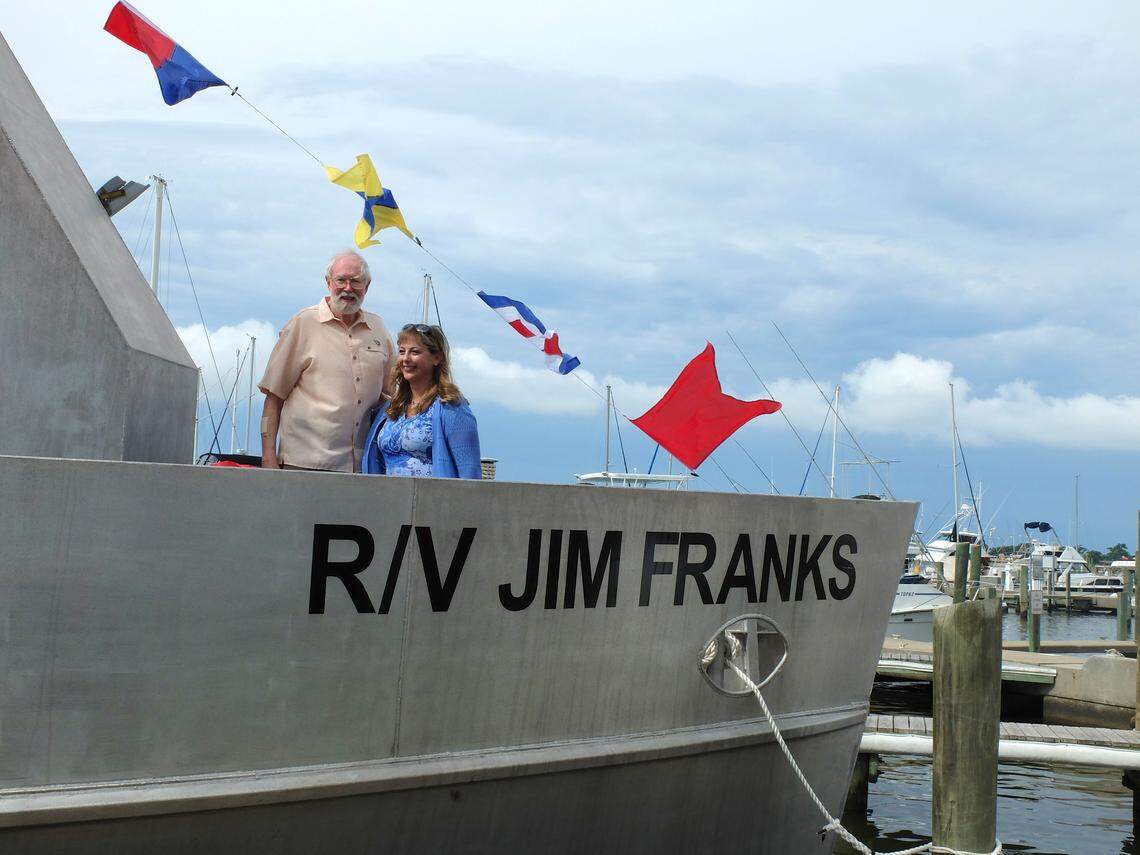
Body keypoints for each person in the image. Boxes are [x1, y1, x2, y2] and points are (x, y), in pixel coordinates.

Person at [258, 251, 394, 472]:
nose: (348, 288)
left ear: (367, 286)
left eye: (356, 281)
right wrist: (268, 458)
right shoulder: (303, 323)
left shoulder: (378, 329)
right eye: (341, 280)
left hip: (362, 467)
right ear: (328, 283)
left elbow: (395, 394)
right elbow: (274, 396)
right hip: (304, 463)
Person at [362, 323, 481, 478]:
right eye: (402, 352)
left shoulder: (452, 407)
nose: (406, 359)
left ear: (437, 358)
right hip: (389, 499)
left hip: (432, 500)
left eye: (415, 352)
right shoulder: (391, 409)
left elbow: (469, 471)